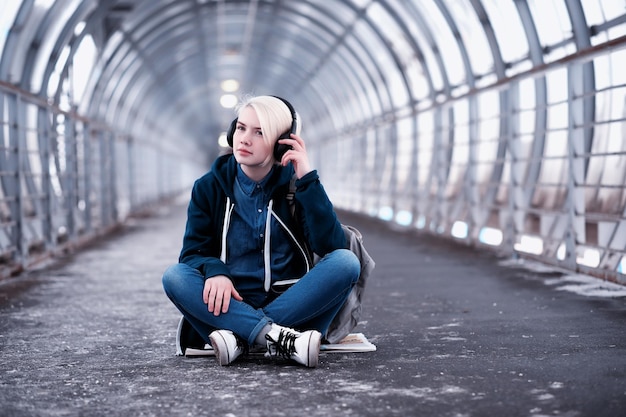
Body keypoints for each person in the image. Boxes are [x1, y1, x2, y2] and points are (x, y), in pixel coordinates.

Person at [162, 95, 361, 368]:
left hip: (291, 303)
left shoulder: (296, 187)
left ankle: (241, 339)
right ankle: (279, 338)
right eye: (241, 128)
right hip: (229, 302)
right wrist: (215, 271)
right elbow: (193, 253)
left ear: (282, 145)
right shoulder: (208, 187)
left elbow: (330, 246)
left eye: (259, 132)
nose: (244, 139)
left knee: (346, 262)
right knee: (175, 276)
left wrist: (308, 180)